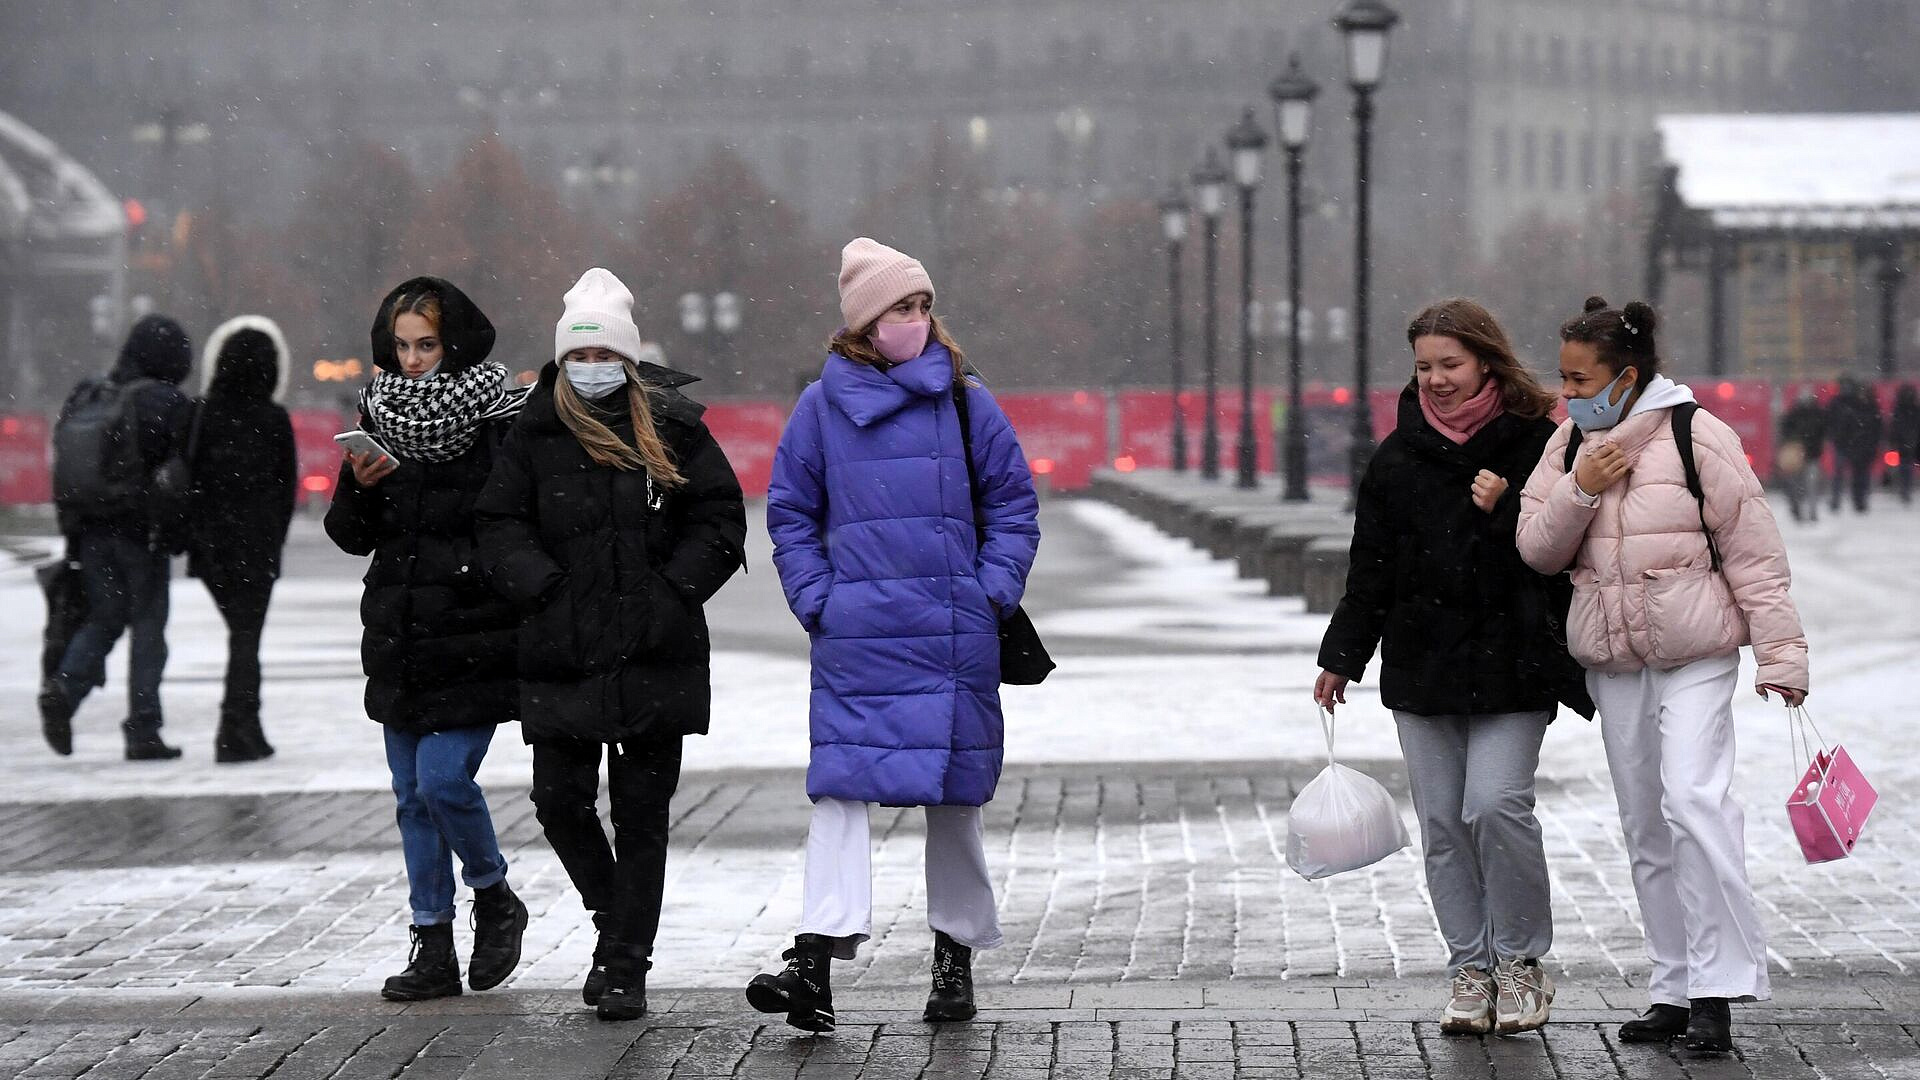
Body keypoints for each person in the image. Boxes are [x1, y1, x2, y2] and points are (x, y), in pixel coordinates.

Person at [752, 238, 1040, 1032]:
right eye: (898, 309)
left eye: (922, 306)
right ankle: (813, 958)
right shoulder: (819, 407)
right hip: (860, 636)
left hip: (951, 633)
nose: (916, 320)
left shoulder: (965, 400)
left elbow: (1014, 503)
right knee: (840, 791)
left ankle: (955, 957)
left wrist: (989, 593)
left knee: (954, 801)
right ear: (863, 323)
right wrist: (818, 600)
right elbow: (790, 512)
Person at [1517, 297, 1809, 1055]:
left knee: (1693, 800)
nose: (1569, 394)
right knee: (1646, 822)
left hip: (1696, 653)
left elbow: (1754, 553)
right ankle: (1673, 986)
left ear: (1627, 375)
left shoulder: (1696, 434)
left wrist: (1781, 655)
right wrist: (1581, 485)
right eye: (1564, 379)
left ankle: (1719, 987)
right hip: (1613, 660)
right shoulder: (1564, 447)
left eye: (1581, 380)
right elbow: (1537, 550)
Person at [1314, 298, 1591, 1038]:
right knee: (1442, 822)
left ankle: (1522, 962)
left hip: (1517, 659)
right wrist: (1342, 655)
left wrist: (1503, 511)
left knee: (1496, 805)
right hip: (1424, 662)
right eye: (1424, 367)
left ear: (1485, 362)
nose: (1435, 380)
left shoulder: (1541, 442)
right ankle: (1470, 969)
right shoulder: (1397, 458)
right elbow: (1370, 568)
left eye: (1450, 364)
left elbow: (1564, 553)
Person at [477, 268, 747, 1022]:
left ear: (628, 361)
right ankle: (615, 919)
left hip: (656, 651)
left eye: (604, 357)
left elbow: (720, 521)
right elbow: (498, 525)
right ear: (560, 362)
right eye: (577, 358)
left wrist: (671, 593)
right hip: (562, 651)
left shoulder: (674, 429)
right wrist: (544, 589)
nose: (591, 370)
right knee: (559, 802)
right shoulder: (530, 433)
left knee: (642, 814)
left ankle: (625, 963)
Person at [325, 277, 530, 1003]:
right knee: (411, 797)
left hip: (472, 634)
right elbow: (350, 537)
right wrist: (360, 483)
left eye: (427, 344)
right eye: (402, 345)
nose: (412, 360)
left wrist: (481, 573)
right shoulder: (378, 416)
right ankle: (432, 941)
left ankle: (495, 895)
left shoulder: (499, 415)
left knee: (444, 781)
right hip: (402, 634)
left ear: (457, 341)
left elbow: (515, 519)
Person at [40, 314, 195, 760]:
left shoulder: (92, 394)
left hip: (91, 530)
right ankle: (143, 728)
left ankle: (64, 690)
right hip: (141, 533)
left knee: (104, 618)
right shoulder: (166, 401)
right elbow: (182, 475)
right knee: (148, 627)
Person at [186, 315, 297, 763]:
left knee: (241, 635)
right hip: (256, 546)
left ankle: (240, 726)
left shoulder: (202, 412)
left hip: (212, 546)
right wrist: (273, 540)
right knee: (247, 638)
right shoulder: (272, 418)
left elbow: (192, 478)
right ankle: (237, 729)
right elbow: (285, 487)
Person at [1827, 377, 1882, 514]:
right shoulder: (1852, 405)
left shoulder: (1851, 405)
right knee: (1853, 474)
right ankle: (1851, 500)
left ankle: (1854, 500)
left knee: (1857, 474)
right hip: (1852, 443)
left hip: (1856, 444)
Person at [1775, 391, 1827, 523]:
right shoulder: (1815, 415)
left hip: (1803, 454)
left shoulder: (1796, 415)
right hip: (1805, 455)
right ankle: (1806, 511)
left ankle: (1805, 511)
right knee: (1807, 485)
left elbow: (1784, 431)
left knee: (1803, 485)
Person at [1889, 384, 1919, 504]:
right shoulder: (1913, 409)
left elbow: (1895, 427)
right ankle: (1905, 489)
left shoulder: (1899, 409)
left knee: (1904, 467)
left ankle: (1904, 489)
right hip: (1910, 443)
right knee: (1907, 467)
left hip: (1904, 443)